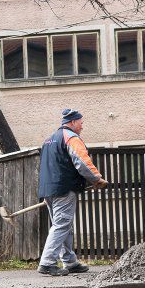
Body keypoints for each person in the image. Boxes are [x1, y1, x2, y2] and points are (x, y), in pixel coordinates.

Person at [36, 108, 108, 276]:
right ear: (73, 122)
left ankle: (69, 261)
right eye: (81, 123)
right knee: (62, 225)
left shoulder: (49, 140)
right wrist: (96, 178)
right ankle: (47, 263)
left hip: (48, 189)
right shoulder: (71, 137)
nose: (82, 127)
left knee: (62, 226)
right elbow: (82, 161)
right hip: (64, 188)